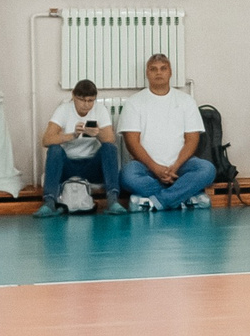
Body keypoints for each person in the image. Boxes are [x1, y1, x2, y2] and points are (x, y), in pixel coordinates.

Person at [119, 53, 215, 211]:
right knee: (127, 175)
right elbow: (132, 143)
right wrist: (156, 168)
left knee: (207, 169)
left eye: (163, 68)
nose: (158, 72)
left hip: (180, 167)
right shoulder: (133, 102)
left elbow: (192, 140)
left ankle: (159, 201)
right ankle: (184, 196)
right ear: (147, 73)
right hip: (146, 167)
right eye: (153, 69)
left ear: (170, 72)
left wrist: (175, 166)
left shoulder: (186, 101)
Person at [38, 78, 126, 215]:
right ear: (73, 96)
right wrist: (72, 135)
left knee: (109, 148)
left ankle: (113, 200)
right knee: (54, 149)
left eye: (90, 101)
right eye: (82, 100)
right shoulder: (64, 109)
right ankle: (49, 202)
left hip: (91, 167)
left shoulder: (100, 109)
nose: (86, 105)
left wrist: (97, 133)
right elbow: (46, 140)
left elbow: (110, 139)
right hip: (68, 166)